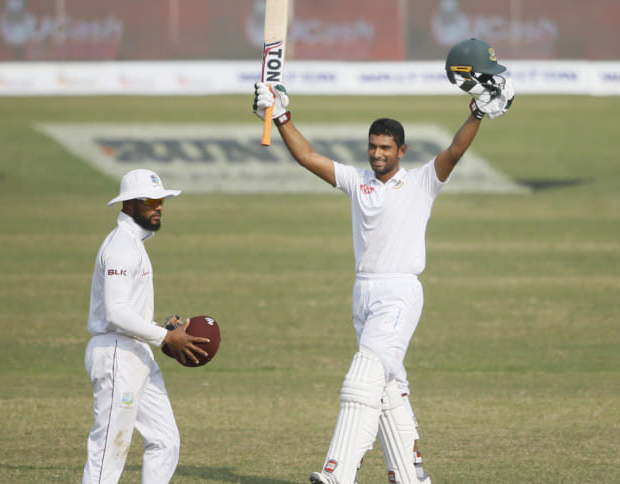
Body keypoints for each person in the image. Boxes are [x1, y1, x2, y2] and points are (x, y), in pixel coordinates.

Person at [253, 38, 515, 484]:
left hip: (399, 292)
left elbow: (453, 152)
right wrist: (280, 115)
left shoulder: (421, 183)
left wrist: (475, 113)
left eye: (386, 148)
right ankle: (411, 477)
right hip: (363, 293)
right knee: (389, 389)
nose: (377, 154)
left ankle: (338, 474)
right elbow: (307, 157)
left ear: (402, 151)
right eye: (373, 146)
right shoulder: (357, 182)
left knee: (364, 377)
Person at [83, 168, 210, 484]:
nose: (159, 207)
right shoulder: (120, 248)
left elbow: (127, 312)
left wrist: (160, 328)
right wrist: (165, 336)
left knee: (165, 441)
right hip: (116, 354)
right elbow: (115, 313)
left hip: (137, 352)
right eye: (151, 201)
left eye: (161, 200)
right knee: (109, 448)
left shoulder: (134, 244)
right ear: (128, 204)